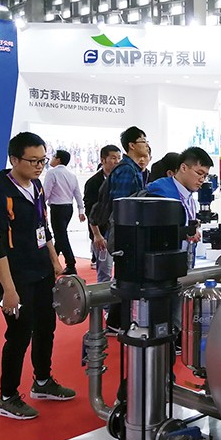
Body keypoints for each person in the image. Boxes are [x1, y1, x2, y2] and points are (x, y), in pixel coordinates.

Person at [0, 132, 76, 421]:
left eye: (42, 160)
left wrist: (54, 260)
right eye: (33, 161)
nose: (39, 166)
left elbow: (43, 227)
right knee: (19, 334)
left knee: (46, 326)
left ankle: (43, 381)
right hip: (15, 275)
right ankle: (7, 396)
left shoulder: (36, 187)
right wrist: (8, 290)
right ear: (14, 159)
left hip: (41, 270)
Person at [89, 127, 149, 332]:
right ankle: (116, 322)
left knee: (125, 276)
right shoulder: (126, 170)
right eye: (143, 140)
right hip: (126, 232)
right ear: (132, 145)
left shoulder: (132, 168)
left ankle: (116, 321)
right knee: (125, 277)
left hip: (128, 231)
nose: (146, 145)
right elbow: (123, 206)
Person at [147, 147, 213, 266]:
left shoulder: (189, 195)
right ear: (183, 168)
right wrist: (186, 232)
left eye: (205, 175)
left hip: (183, 261)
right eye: (199, 173)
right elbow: (155, 234)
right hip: (162, 264)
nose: (202, 180)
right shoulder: (161, 193)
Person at [43, 149, 85, 276]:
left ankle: (70, 263)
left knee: (61, 235)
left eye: (53, 156)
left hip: (57, 208)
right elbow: (77, 194)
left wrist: (40, 206)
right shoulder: (71, 175)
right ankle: (52, 259)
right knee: (60, 235)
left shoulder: (52, 173)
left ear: (58, 159)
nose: (51, 159)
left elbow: (46, 192)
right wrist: (81, 210)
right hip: (68, 208)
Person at [83, 145, 121, 281]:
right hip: (103, 232)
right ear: (103, 160)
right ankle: (103, 295)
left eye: (119, 158)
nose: (117, 161)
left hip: (119, 230)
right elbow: (90, 211)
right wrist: (97, 234)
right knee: (105, 272)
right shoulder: (94, 182)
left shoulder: (121, 179)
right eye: (113, 158)